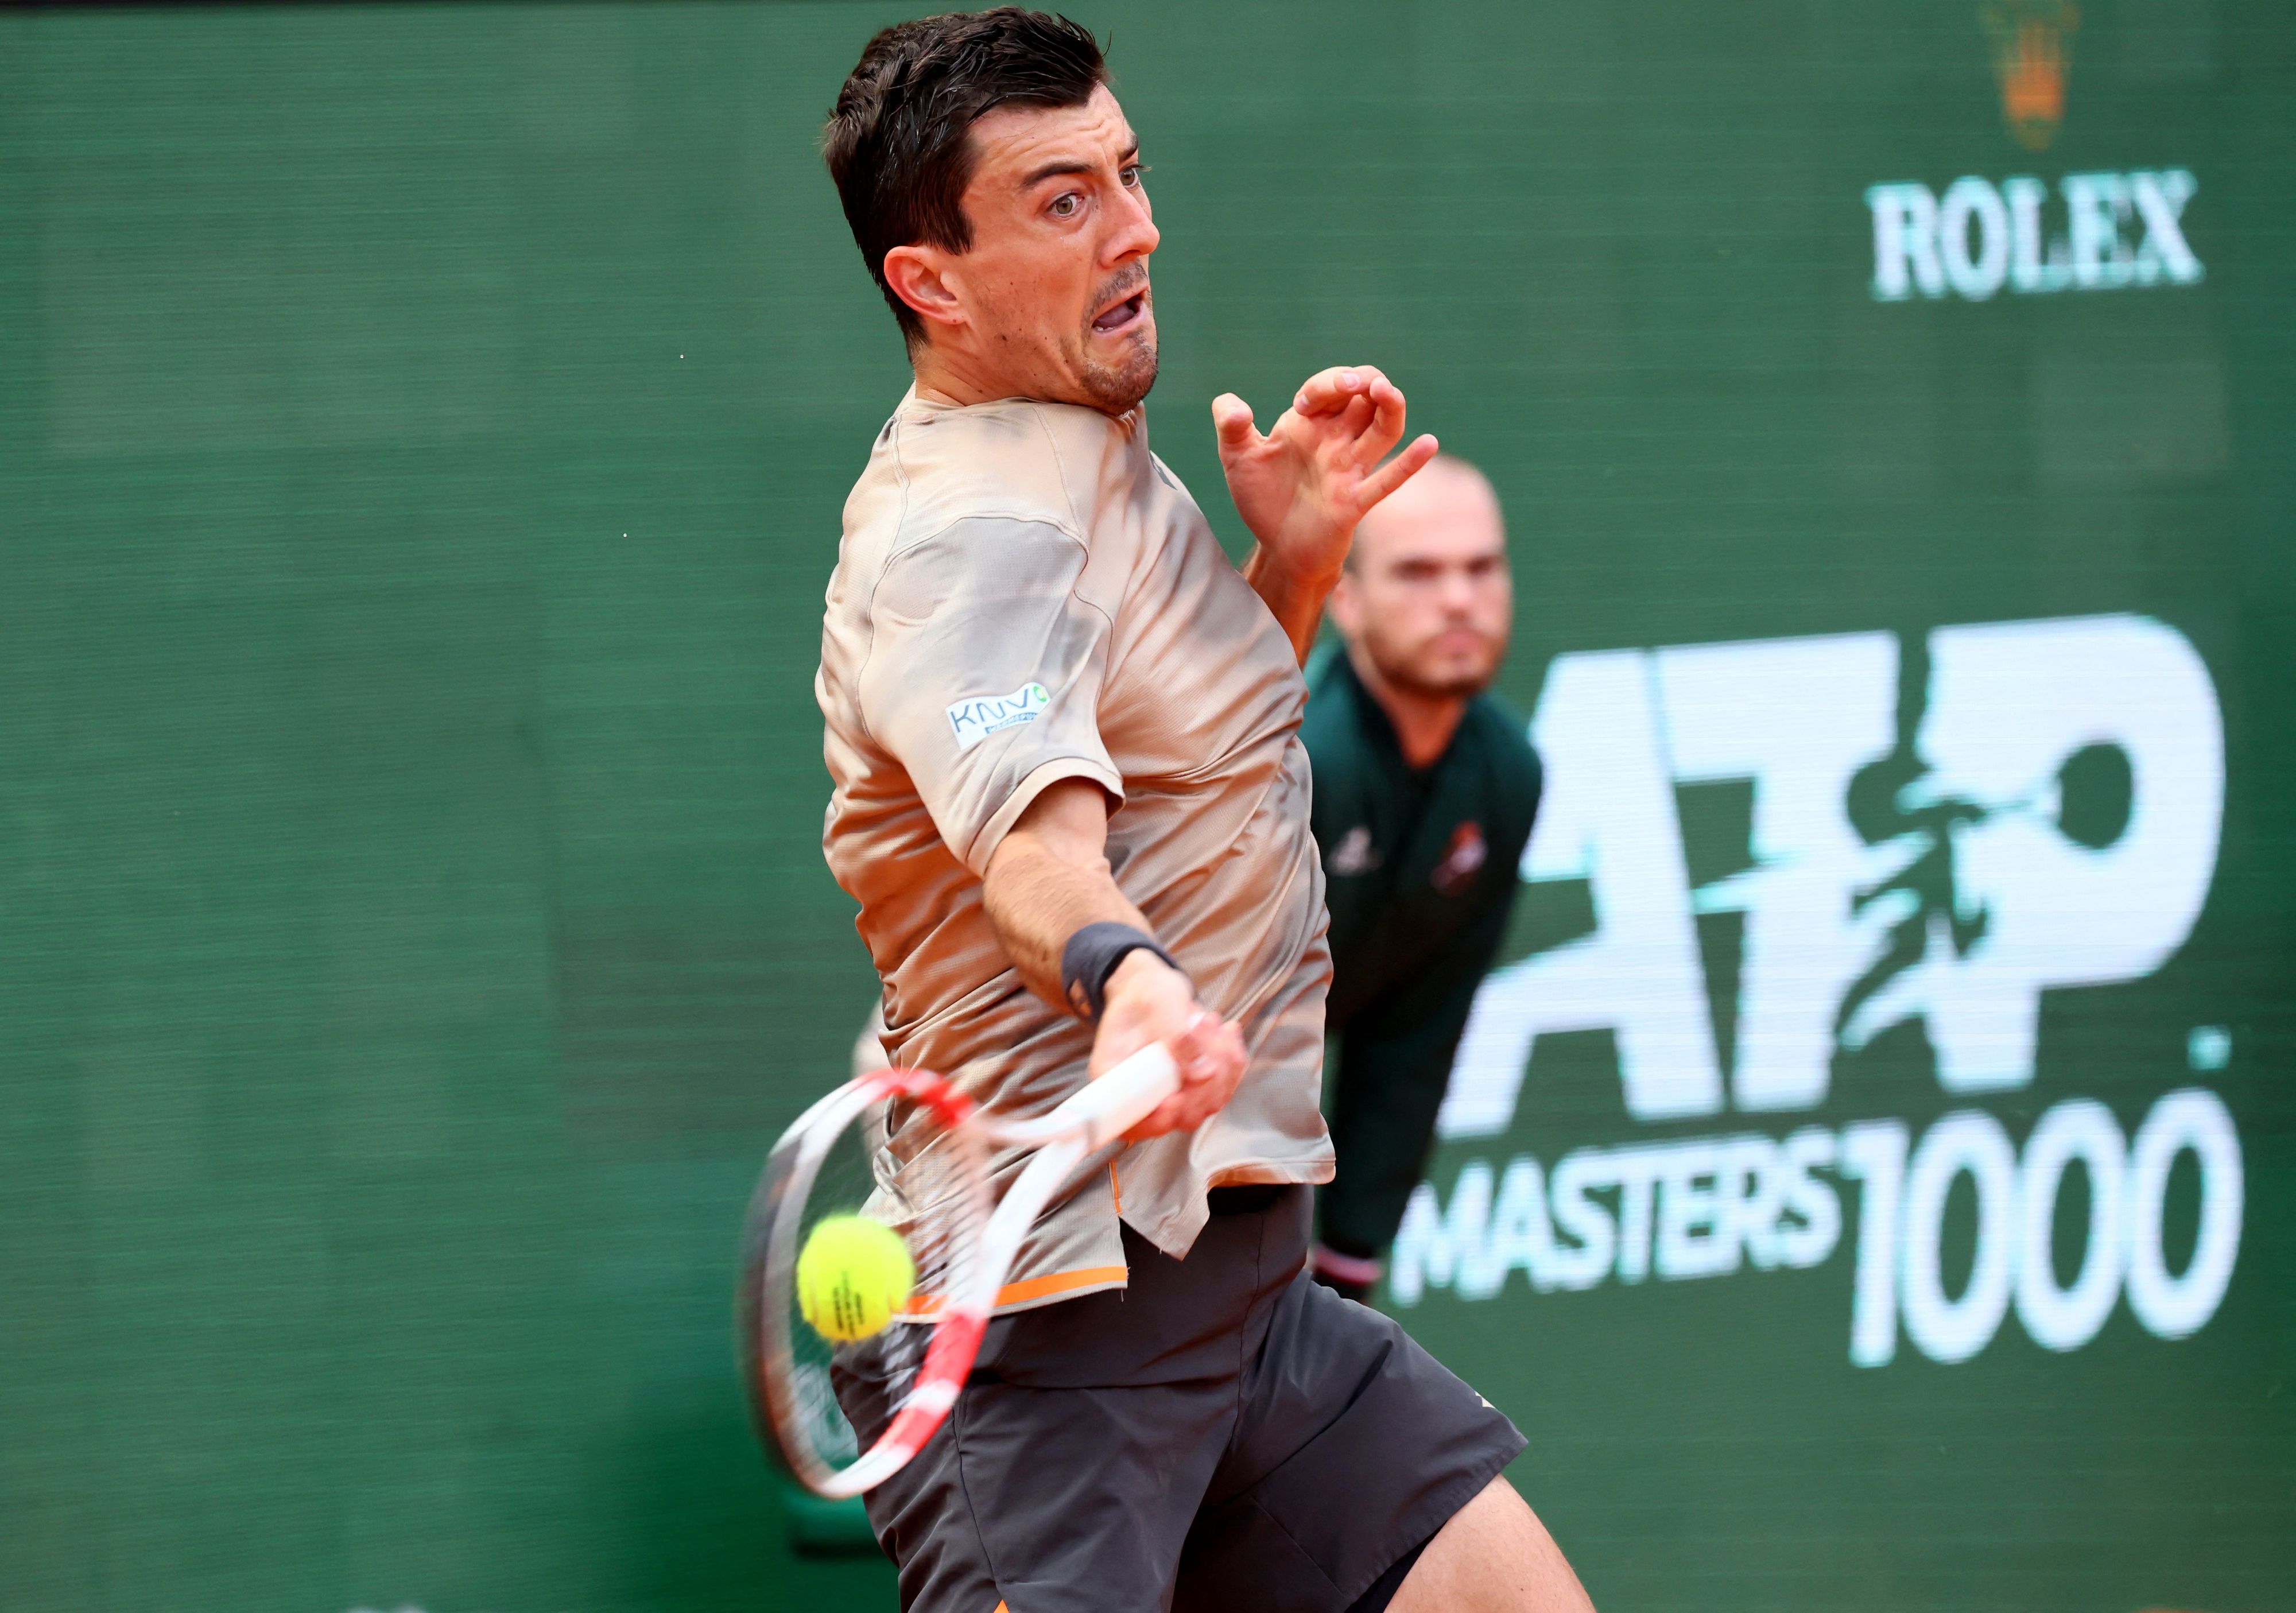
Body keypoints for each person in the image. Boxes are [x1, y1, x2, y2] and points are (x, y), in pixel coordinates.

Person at [811, 11, 1595, 1612]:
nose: (1136, 226)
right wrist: (1131, 980)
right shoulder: (960, 541)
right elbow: (1032, 839)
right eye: (1061, 199)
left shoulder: (1086, 449)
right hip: (1051, 1333)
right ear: (930, 281)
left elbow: (1178, 774)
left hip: (1240, 1292)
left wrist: (1292, 570)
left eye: (1128, 173)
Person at [1302, 456, 1541, 1304]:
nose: (1458, 599)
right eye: (1418, 572)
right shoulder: (1291, 762)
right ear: (1346, 600)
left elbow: (1418, 1031)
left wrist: (1348, 1258)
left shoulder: (1506, 774)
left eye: (1481, 568)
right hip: (1009, 1062)